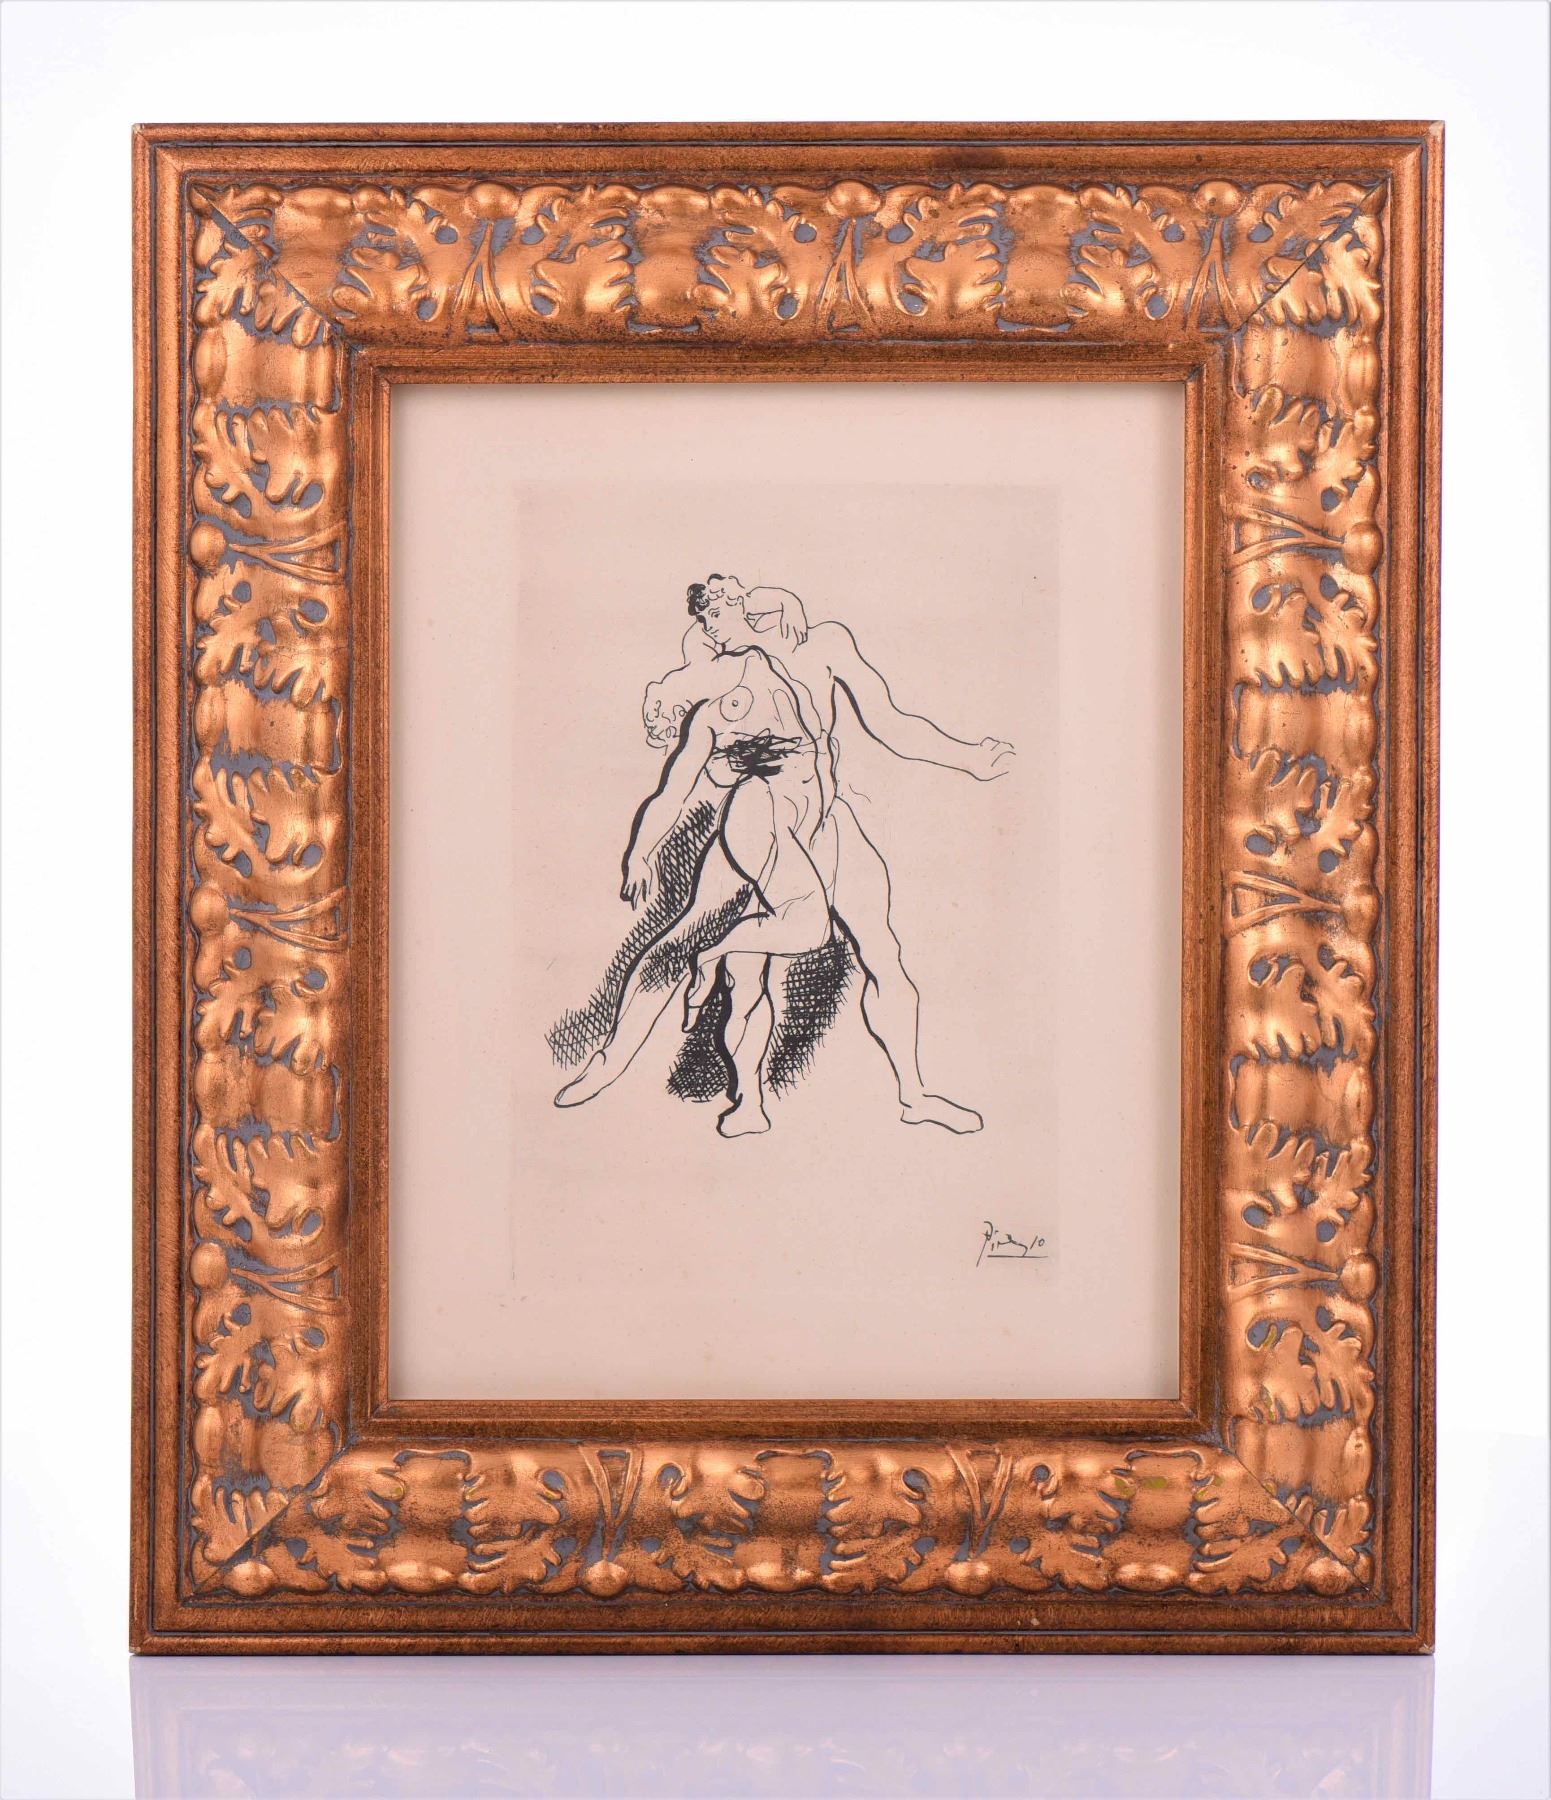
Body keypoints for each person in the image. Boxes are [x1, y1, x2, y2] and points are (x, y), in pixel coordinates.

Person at [556, 596, 830, 1136]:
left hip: (790, 836)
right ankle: (611, 1061)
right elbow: (671, 794)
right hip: (755, 829)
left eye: (718, 616)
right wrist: (640, 852)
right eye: (705, 623)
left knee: (746, 978)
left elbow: (776, 613)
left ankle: (748, 1103)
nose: (713, 630)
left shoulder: (780, 662)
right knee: (742, 943)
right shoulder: (710, 717)